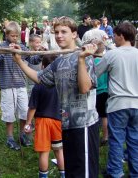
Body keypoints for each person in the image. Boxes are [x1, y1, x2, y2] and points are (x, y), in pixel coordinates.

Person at [13, 16, 99, 177]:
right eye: (57, 32)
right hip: (65, 125)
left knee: (84, 172)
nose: (59, 35)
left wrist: (81, 60)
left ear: (74, 34)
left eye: (64, 32)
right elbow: (39, 77)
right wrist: (18, 60)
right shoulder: (58, 62)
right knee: (72, 170)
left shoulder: (85, 56)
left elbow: (85, 87)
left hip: (84, 125)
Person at [84, 21, 138, 177]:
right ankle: (135, 173)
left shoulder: (112, 54)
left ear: (121, 36)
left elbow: (94, 75)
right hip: (136, 104)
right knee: (134, 140)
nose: (112, 39)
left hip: (118, 104)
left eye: (114, 35)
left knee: (116, 140)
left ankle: (115, 172)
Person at [0, 21, 42, 150]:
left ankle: (22, 135)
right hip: (7, 85)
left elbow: (32, 60)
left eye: (16, 36)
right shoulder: (1, 46)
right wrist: (6, 51)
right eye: (12, 36)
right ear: (7, 34)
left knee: (23, 112)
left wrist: (40, 54)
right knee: (9, 113)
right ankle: (10, 138)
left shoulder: (22, 46)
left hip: (21, 84)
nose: (14, 38)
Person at [25, 55, 65, 178]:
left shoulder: (39, 84)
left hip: (42, 121)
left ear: (43, 66)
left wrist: (28, 123)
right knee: (59, 150)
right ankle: (63, 175)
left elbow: (33, 107)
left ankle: (43, 176)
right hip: (58, 120)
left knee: (44, 151)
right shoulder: (61, 83)